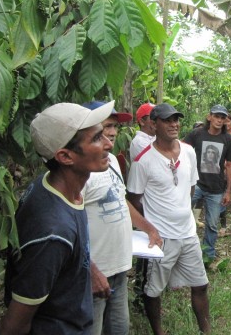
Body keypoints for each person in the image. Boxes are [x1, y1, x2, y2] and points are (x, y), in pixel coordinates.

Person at [0, 101, 115, 334]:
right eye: (97, 138)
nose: (109, 143)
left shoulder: (50, 184)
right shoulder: (53, 231)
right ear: (65, 156)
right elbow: (15, 324)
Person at [126, 103, 210, 335]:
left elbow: (190, 188)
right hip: (162, 239)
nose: (174, 124)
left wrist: (180, 211)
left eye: (176, 119)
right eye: (167, 120)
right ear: (153, 124)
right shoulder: (143, 161)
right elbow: (133, 199)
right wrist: (150, 227)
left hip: (188, 233)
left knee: (201, 284)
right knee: (153, 290)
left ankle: (206, 330)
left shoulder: (188, 152)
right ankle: (159, 332)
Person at [81, 101, 161, 335]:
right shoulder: (81, 169)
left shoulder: (112, 160)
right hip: (95, 272)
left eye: (115, 126)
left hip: (119, 268)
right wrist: (90, 269)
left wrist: (148, 228)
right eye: (107, 126)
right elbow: (70, 222)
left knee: (119, 328)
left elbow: (120, 199)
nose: (113, 132)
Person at [183, 104, 231, 264]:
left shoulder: (228, 139)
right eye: (217, 116)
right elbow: (181, 150)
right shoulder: (197, 134)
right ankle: (183, 252)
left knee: (212, 224)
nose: (219, 120)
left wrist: (228, 191)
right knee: (182, 216)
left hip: (216, 188)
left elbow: (229, 165)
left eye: (223, 118)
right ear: (209, 117)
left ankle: (207, 256)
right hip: (196, 185)